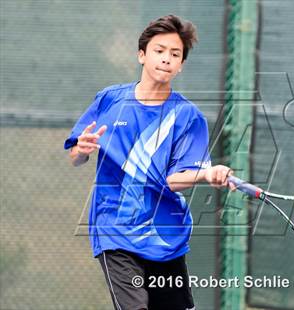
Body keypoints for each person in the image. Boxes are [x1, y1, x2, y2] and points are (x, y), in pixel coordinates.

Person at [64, 15, 235, 310]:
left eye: (175, 54)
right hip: (114, 231)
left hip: (164, 237)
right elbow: (76, 158)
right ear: (142, 55)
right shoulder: (109, 100)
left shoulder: (188, 117)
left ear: (181, 65)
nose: (166, 59)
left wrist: (206, 174)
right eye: (159, 50)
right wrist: (82, 148)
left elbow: (173, 179)